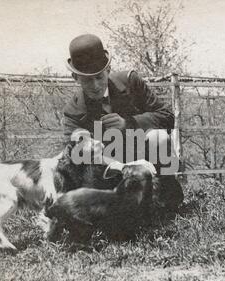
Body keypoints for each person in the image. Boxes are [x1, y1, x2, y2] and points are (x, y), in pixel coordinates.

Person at [63, 33, 183, 212]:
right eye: (87, 80)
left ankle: (166, 201)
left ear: (109, 70)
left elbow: (167, 116)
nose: (96, 85)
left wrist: (129, 123)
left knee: (160, 137)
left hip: (143, 155)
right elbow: (75, 156)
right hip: (107, 168)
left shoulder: (130, 81)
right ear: (75, 78)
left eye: (99, 77)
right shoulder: (73, 110)